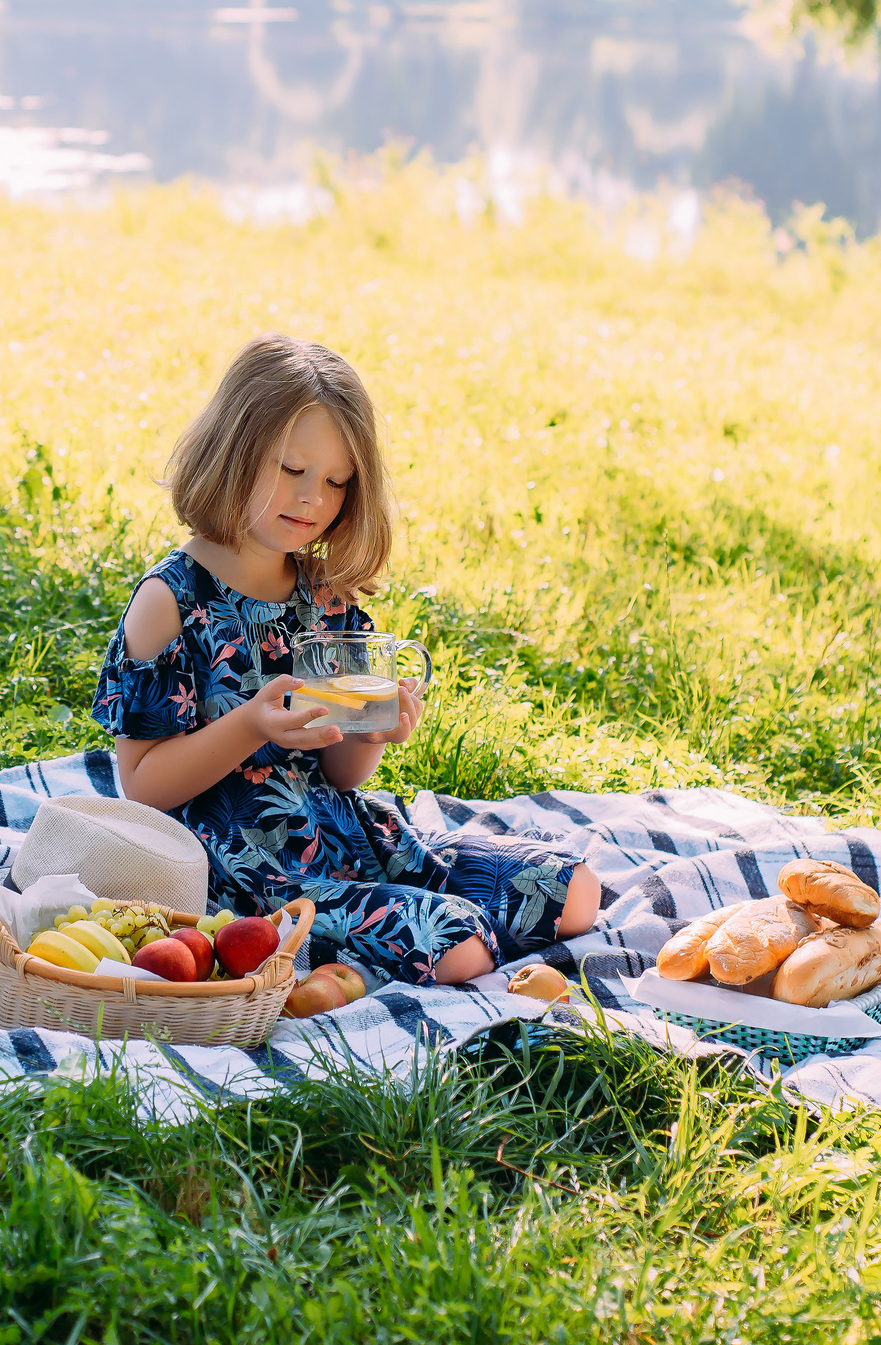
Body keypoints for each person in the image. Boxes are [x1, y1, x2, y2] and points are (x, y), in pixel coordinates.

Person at [92, 333, 600, 986]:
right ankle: (363, 941)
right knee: (459, 944)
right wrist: (251, 724)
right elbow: (142, 783)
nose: (312, 499)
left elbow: (341, 771)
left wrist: (374, 729)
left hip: (350, 841)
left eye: (335, 482)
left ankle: (418, 923)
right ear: (234, 450)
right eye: (292, 469)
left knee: (576, 889)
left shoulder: (323, 596)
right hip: (244, 869)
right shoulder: (171, 602)